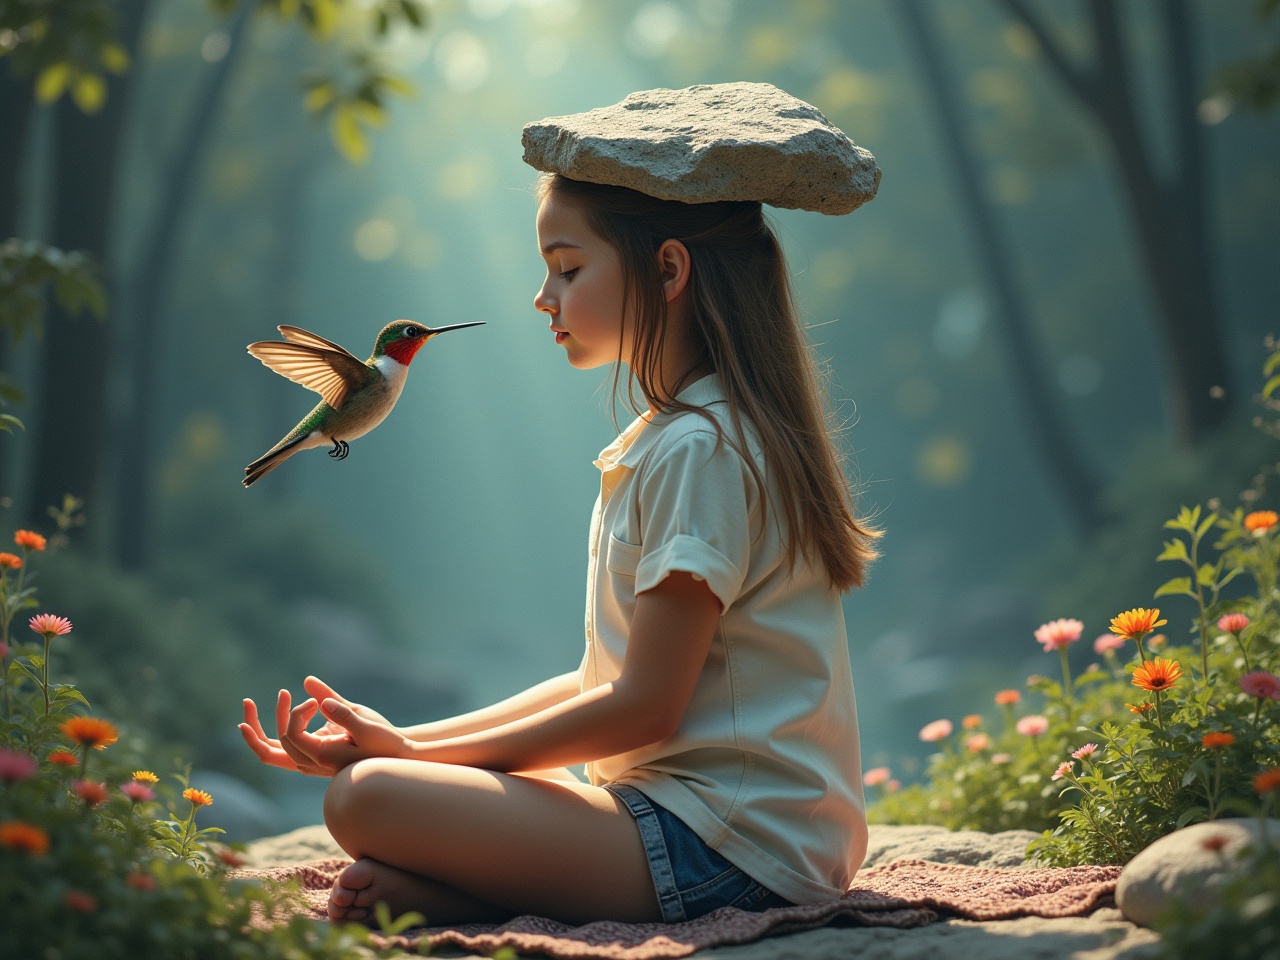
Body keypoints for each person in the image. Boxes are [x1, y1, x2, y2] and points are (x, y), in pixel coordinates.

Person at [239, 84, 881, 928]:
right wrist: (411, 740)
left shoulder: (701, 449)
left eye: (568, 269)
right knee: (389, 781)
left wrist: (405, 759)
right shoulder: (679, 436)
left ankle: (455, 886)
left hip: (728, 850)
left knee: (367, 800)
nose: (544, 298)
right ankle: (442, 895)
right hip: (711, 830)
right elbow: (601, 682)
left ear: (668, 269)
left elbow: (641, 709)